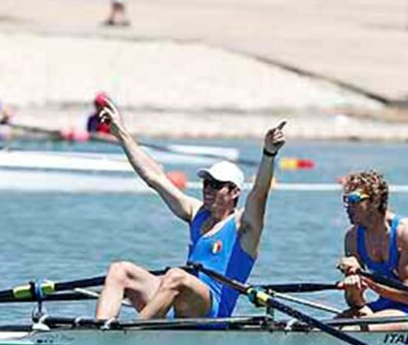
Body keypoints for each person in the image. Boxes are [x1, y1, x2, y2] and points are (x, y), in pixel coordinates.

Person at [93, 101, 286, 321]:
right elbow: (154, 177)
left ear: (234, 192)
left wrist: (268, 154)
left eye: (216, 185)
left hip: (212, 311)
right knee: (120, 270)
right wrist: (120, 133)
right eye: (206, 183)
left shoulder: (244, 226)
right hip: (181, 299)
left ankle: (135, 333)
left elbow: (259, 194)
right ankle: (100, 334)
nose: (208, 189)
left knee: (176, 276)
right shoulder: (197, 213)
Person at [336, 170, 408, 332]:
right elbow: (355, 303)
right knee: (327, 326)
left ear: (374, 201)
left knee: (351, 328)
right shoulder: (352, 238)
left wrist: (364, 277)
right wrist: (353, 286)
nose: (347, 207)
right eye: (345, 200)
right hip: (383, 307)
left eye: (354, 200)